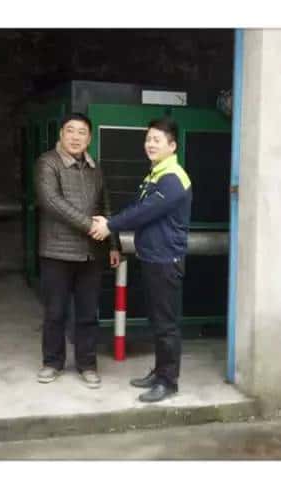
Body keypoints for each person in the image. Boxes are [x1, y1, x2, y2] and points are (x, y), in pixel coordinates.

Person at [89, 117, 191, 402]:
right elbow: (137, 207)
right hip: (153, 257)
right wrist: (111, 223)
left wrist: (109, 225)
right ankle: (160, 372)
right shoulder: (156, 174)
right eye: (148, 139)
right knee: (157, 320)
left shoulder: (173, 178)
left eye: (157, 140)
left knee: (166, 324)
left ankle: (168, 382)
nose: (150, 144)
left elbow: (144, 212)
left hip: (166, 260)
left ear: (172, 146)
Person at [34, 112, 121, 388]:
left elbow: (106, 207)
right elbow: (51, 201)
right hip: (57, 252)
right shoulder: (48, 162)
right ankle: (52, 362)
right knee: (55, 312)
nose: (75, 137)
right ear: (61, 134)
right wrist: (90, 225)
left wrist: (113, 243)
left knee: (87, 314)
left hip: (91, 253)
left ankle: (87, 364)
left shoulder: (96, 168)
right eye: (70, 131)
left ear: (89, 138)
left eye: (82, 132)